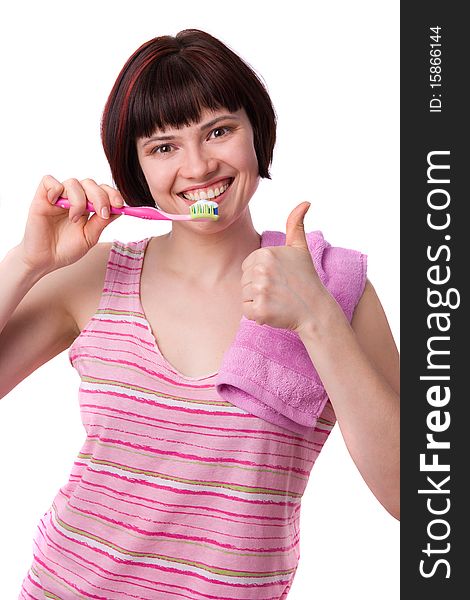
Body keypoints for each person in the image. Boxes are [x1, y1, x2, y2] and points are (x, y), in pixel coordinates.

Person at [0, 29, 399, 599]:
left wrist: (318, 320)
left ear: (255, 132)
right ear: (137, 167)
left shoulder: (330, 286)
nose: (198, 166)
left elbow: (420, 497)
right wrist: (26, 261)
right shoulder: (95, 273)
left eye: (219, 131)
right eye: (163, 146)